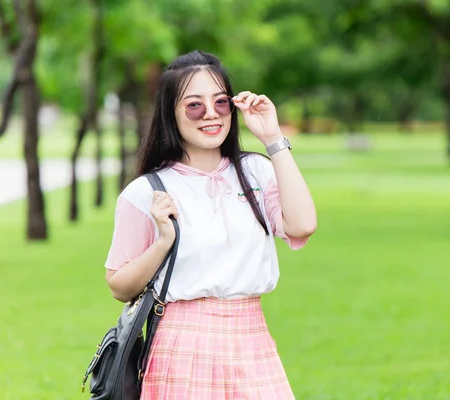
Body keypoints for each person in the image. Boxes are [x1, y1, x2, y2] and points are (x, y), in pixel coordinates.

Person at [103, 50, 317, 399]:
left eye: (221, 103)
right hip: (182, 346)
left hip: (252, 338)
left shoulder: (256, 172)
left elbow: (303, 224)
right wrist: (162, 242)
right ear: (171, 114)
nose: (211, 115)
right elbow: (119, 285)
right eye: (194, 106)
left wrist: (273, 139)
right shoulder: (146, 192)